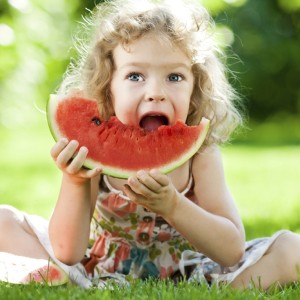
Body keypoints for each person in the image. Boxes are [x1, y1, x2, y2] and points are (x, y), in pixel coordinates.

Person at [1, 0, 300, 290]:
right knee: (3, 220)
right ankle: (59, 278)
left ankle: (226, 289)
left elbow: (232, 250)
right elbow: (68, 251)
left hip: (193, 272)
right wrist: (75, 181)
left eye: (174, 76)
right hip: (104, 269)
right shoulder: (91, 153)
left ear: (196, 87)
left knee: (292, 248)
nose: (155, 92)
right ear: (108, 88)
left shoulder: (201, 152)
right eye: (135, 76)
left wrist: (173, 205)